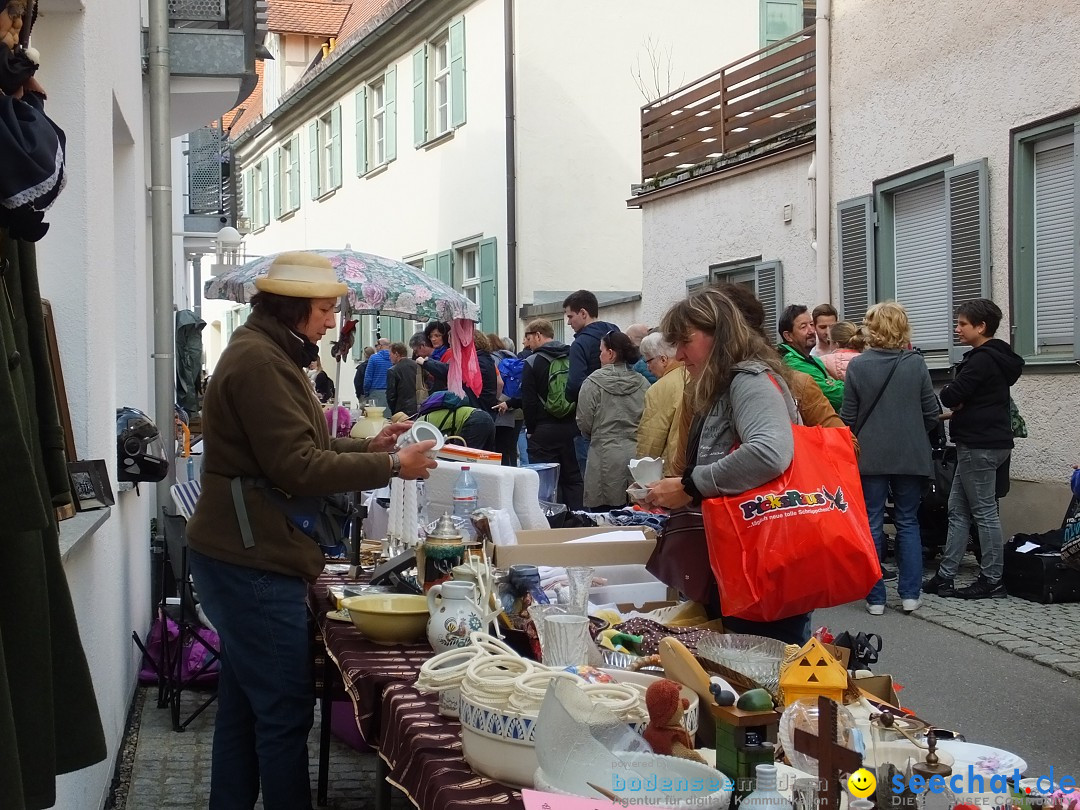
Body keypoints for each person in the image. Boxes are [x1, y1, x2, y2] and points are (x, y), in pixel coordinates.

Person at [184, 252, 437, 809]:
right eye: (324, 309)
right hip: (252, 559)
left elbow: (305, 450)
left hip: (245, 551)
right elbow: (296, 468)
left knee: (246, 707)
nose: (329, 320)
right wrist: (392, 467)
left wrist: (370, 447)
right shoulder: (262, 364)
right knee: (282, 711)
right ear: (294, 309)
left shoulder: (266, 353)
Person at [645, 287, 808, 645]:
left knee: (759, 677)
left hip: (761, 562)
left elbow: (769, 452)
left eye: (685, 341)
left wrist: (691, 485)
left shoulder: (748, 381)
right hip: (744, 558)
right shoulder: (724, 382)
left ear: (718, 334)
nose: (679, 353)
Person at [839, 302, 939, 615]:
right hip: (910, 453)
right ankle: (910, 595)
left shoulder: (858, 366)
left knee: (871, 522)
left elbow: (849, 418)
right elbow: (931, 413)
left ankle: (875, 597)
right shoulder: (916, 363)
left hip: (870, 455)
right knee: (908, 521)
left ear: (871, 329)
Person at [925, 298, 1024, 600]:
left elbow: (952, 393)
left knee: (983, 513)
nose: (957, 329)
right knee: (958, 511)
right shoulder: (999, 357)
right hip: (987, 442)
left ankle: (992, 580)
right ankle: (945, 576)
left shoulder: (981, 359)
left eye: (962, 324)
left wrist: (957, 399)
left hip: (979, 445)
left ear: (981, 327)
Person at [577, 330, 649, 511]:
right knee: (636, 516)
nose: (599, 355)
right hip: (636, 457)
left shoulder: (592, 383)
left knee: (604, 519)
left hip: (603, 455)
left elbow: (584, 421)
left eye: (601, 350)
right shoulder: (643, 383)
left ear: (610, 353)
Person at [520, 318, 583, 511]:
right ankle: (576, 518)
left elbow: (529, 401)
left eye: (529, 338)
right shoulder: (572, 355)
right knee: (573, 478)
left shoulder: (532, 362)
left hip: (543, 430)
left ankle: (551, 522)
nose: (527, 343)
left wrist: (531, 430)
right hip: (572, 428)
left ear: (538, 335)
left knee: (546, 482)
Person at [563, 289, 620, 474]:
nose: (569, 322)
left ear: (583, 313)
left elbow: (574, 385)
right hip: (620, 418)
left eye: (571, 316)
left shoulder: (580, 344)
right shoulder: (617, 334)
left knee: (592, 481)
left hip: (592, 423)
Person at [635, 332, 688, 477]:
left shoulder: (659, 389)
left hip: (672, 468)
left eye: (649, 361)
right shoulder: (696, 376)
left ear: (663, 359)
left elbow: (651, 439)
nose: (648, 368)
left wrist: (643, 475)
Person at [777, 303, 844, 411]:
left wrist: (834, 384)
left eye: (811, 324)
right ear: (788, 336)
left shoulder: (811, 359)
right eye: (803, 327)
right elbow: (836, 396)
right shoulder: (793, 363)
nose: (811, 331)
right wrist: (836, 384)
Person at [488, 333, 522, 466]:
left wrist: (497, 399)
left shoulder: (492, 359)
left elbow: (498, 383)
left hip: (498, 407)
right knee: (510, 447)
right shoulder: (512, 357)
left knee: (498, 449)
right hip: (512, 407)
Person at [385, 341, 424, 417]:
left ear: (396, 354)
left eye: (390, 354)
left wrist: (394, 411)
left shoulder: (393, 370)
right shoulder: (417, 366)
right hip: (419, 405)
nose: (389, 357)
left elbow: (391, 395)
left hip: (401, 409)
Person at [363, 338, 392, 409]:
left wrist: (366, 392)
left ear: (380, 346)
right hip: (391, 392)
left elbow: (368, 378)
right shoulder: (393, 358)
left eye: (376, 345)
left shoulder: (373, 358)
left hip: (375, 392)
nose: (375, 348)